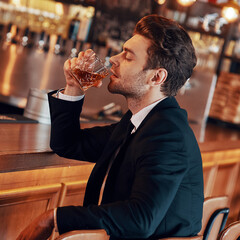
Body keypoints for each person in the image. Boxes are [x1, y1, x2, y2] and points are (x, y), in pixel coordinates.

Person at [17, 14, 204, 240]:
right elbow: (68, 144)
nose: (113, 59)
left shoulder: (166, 136)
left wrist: (54, 217)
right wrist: (73, 87)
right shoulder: (142, 122)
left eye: (127, 56)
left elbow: (140, 219)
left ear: (156, 77)